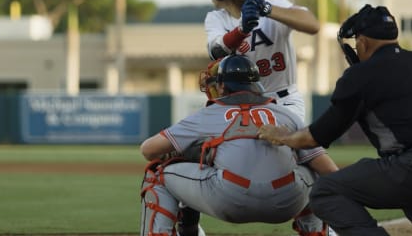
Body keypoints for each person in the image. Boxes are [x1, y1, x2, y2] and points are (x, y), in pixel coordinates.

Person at [258, 4, 412, 236]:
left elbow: (315, 137)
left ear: (362, 42)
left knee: (326, 191)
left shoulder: (361, 74)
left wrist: (284, 136)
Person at [139, 54, 339, 236]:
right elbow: (329, 170)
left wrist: (189, 152)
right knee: (313, 168)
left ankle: (183, 232)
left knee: (157, 174)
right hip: (287, 202)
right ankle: (318, 233)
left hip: (229, 200)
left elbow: (148, 150)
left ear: (223, 87)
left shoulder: (209, 114)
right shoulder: (286, 114)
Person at [195, 0, 320, 118]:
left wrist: (266, 9)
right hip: (241, 103)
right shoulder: (216, 18)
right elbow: (217, 50)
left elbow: (312, 25)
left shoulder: (277, 6)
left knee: (282, 142)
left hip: (283, 100)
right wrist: (242, 30)